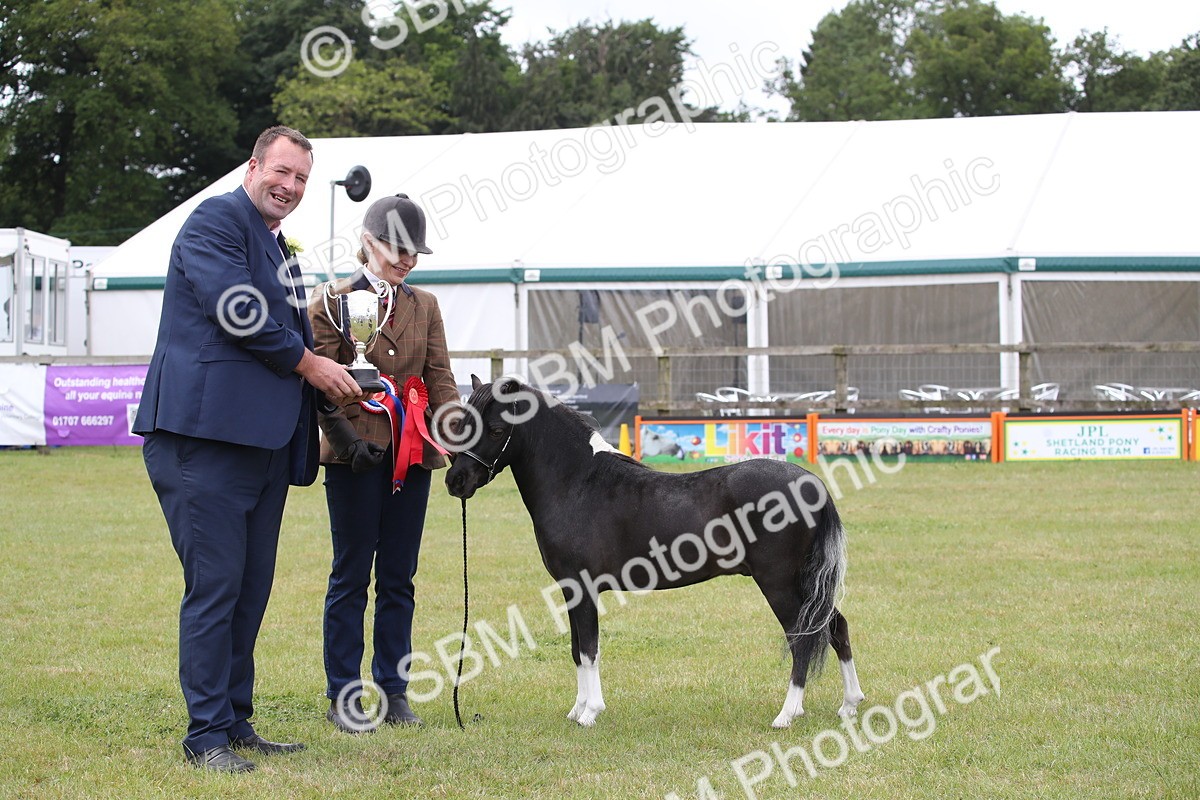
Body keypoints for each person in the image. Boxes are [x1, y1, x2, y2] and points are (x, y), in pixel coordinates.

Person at [133, 126, 363, 772]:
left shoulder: (279, 248)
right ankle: (204, 735)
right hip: (203, 440)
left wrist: (339, 380)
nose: (289, 186)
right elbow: (237, 312)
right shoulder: (215, 221)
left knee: (249, 588)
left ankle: (234, 719)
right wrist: (311, 365)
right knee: (216, 586)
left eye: (301, 179)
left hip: (263, 446)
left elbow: (290, 335)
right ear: (253, 167)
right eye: (281, 171)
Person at [308, 193, 459, 733]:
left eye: (415, 253)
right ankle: (344, 694)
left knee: (399, 577)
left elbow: (439, 376)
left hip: (412, 455)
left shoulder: (426, 306)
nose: (408, 261)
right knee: (351, 576)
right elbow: (320, 382)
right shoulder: (331, 302)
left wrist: (457, 432)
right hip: (355, 456)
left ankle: (394, 692)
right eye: (399, 250)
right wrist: (346, 442)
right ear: (368, 242)